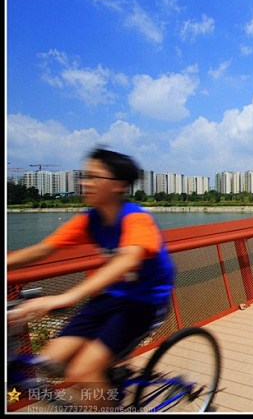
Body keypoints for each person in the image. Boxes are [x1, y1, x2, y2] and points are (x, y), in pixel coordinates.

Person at [7, 147, 175, 409]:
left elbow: (128, 259)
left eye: (94, 177)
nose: (85, 183)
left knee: (82, 371)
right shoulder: (90, 220)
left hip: (144, 303)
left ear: (118, 185)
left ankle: (108, 405)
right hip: (111, 297)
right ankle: (107, 387)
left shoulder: (136, 219)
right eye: (84, 176)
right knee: (52, 361)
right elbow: (43, 249)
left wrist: (65, 297)